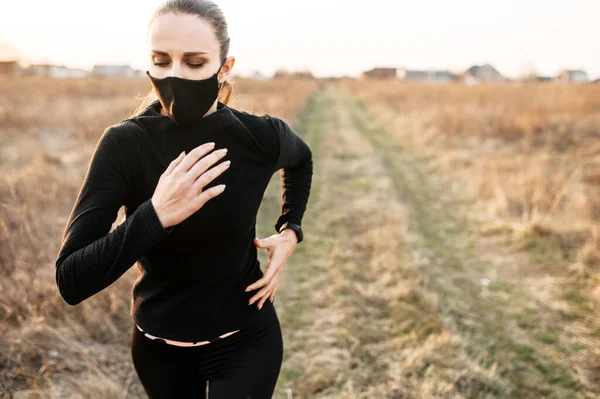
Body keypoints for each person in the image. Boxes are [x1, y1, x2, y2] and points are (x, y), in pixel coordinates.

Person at [54, 0, 313, 397]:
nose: (175, 75)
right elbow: (72, 279)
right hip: (159, 351)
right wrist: (155, 215)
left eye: (194, 63)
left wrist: (290, 229)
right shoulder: (124, 145)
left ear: (224, 68)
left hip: (246, 340)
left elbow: (302, 160)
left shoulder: (259, 137)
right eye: (161, 60)